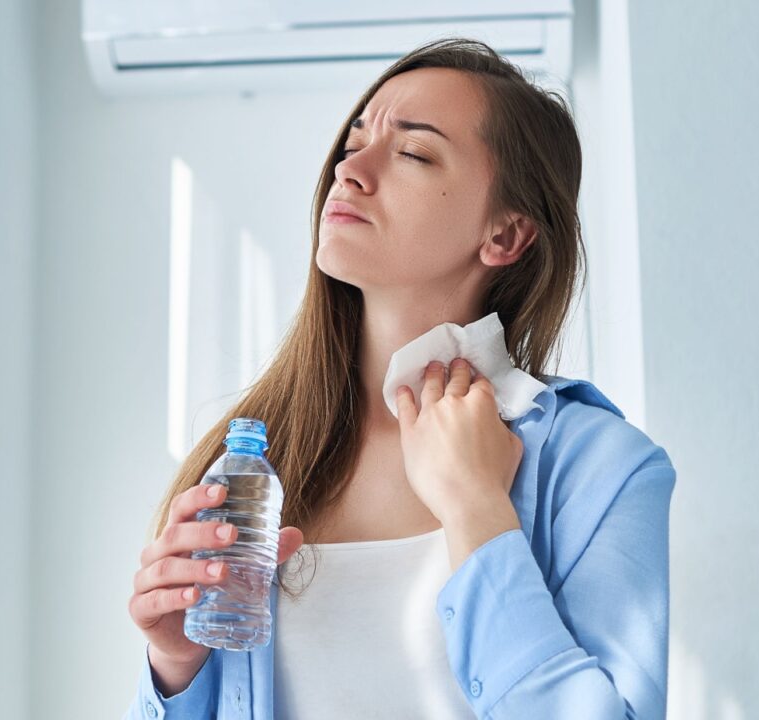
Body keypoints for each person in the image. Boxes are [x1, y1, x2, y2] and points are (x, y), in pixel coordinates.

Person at [126, 37, 675, 719]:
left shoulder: (604, 470)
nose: (350, 169)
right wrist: (176, 673)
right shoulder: (249, 467)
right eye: (354, 141)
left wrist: (478, 510)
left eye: (412, 152)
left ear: (505, 236)